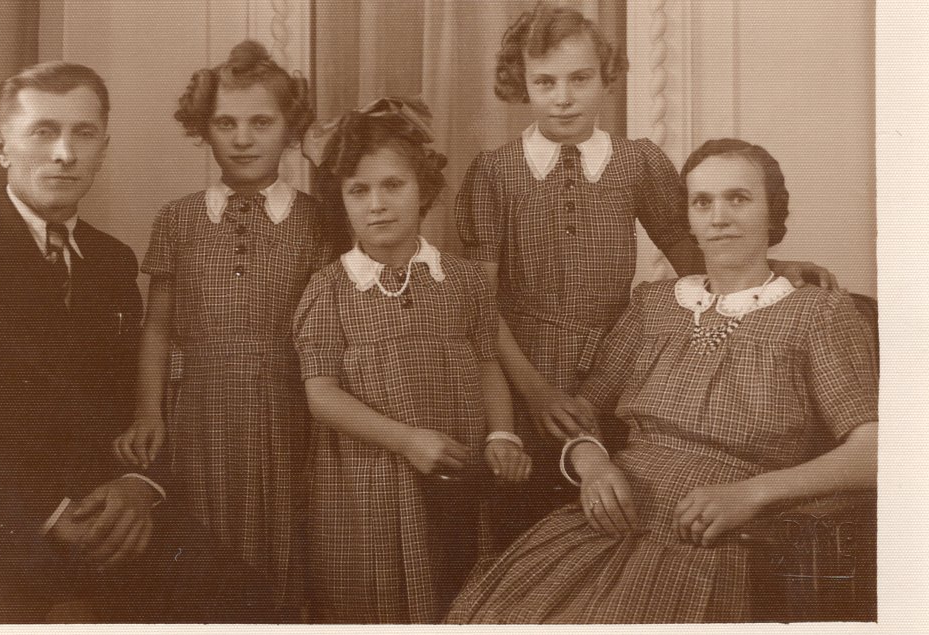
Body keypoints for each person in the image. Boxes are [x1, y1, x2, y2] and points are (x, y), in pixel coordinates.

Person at [446, 138, 878, 623]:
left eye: (738, 199)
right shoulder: (654, 303)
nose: (719, 217)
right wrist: (592, 464)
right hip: (610, 517)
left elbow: (872, 452)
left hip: (713, 533)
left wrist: (752, 494)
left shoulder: (820, 312)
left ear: (773, 212)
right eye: (702, 202)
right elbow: (581, 416)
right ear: (688, 219)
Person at [456, 0, 839, 545]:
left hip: (615, 368)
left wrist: (774, 269)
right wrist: (536, 392)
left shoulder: (637, 162)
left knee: (612, 516)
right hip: (516, 370)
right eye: (545, 82)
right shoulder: (494, 171)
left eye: (580, 79)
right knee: (522, 521)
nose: (563, 98)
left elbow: (699, 263)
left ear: (606, 78)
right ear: (522, 83)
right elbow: (479, 299)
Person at [0, 61, 270, 623]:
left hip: (104, 508)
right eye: (43, 132)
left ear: (103, 148)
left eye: (84, 133)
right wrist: (49, 513)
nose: (65, 154)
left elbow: (133, 406)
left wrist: (140, 484)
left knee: (246, 598)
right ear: (1, 147)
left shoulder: (112, 260)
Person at [292, 98, 530, 623]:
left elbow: (487, 363)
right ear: (340, 200)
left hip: (457, 470)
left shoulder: (462, 280)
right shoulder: (330, 289)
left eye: (393, 185)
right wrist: (406, 440)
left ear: (424, 189)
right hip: (368, 480)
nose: (376, 204)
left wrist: (502, 435)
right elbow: (321, 395)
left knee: (455, 586)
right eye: (358, 191)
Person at [110, 41, 323, 619]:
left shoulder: (317, 220)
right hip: (199, 411)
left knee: (286, 544)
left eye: (262, 122)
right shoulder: (178, 218)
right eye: (225, 123)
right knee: (204, 543)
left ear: (290, 128)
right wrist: (148, 410)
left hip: (289, 410)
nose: (243, 138)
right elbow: (157, 328)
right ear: (203, 128)